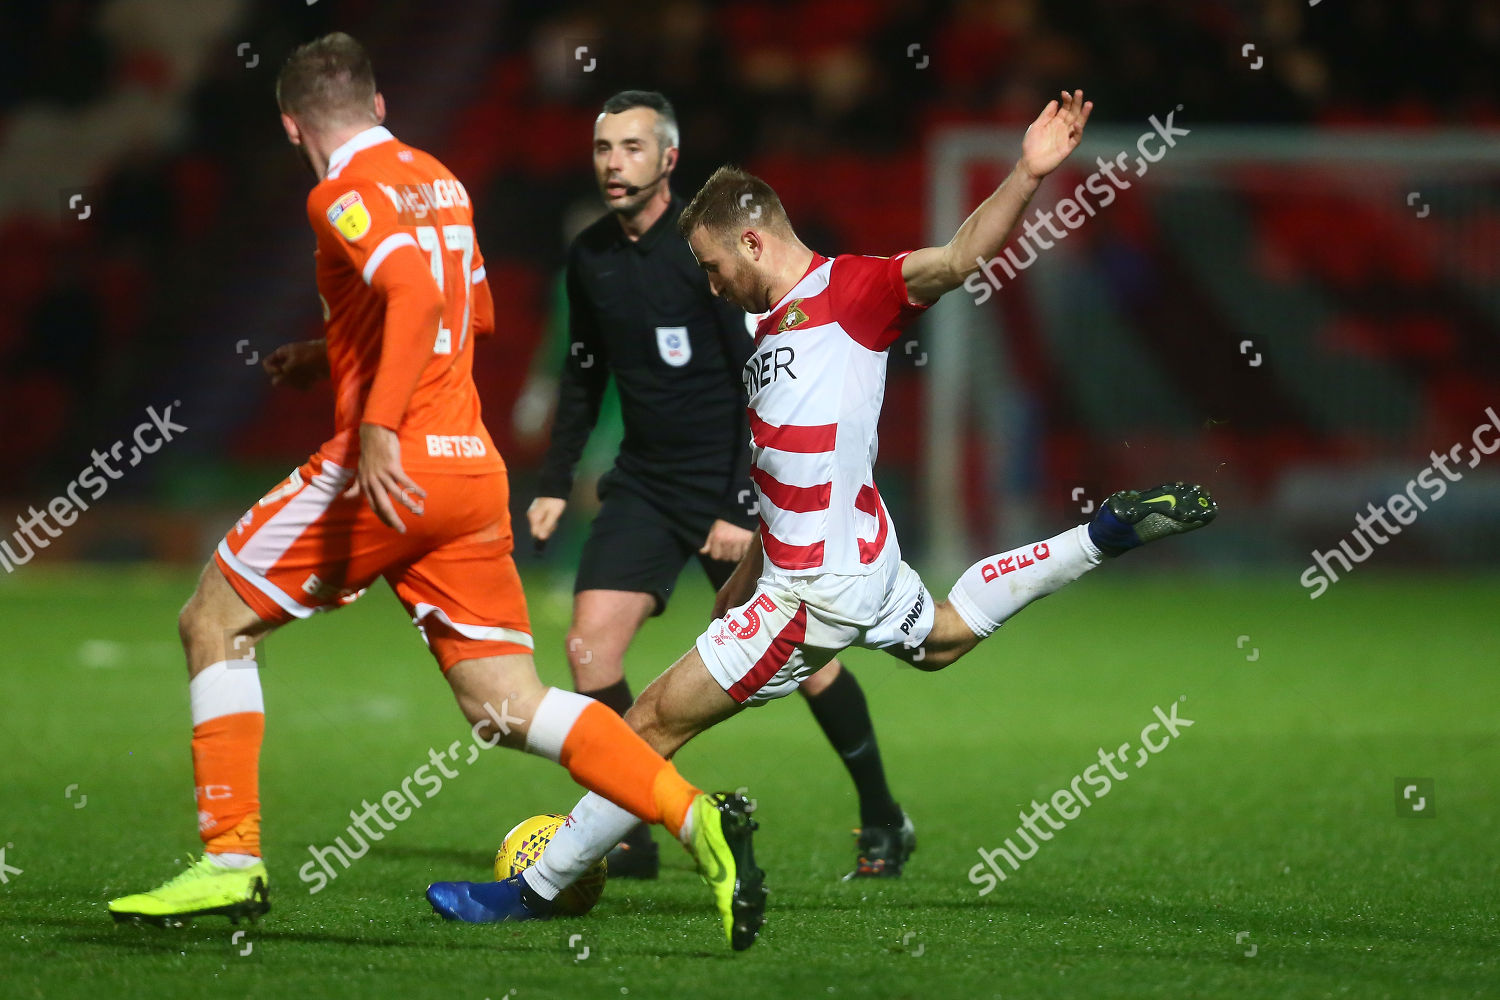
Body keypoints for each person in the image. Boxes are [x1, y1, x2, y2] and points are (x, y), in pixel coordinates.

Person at [426, 90, 1215, 936]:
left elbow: (954, 259)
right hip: (858, 565)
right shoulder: (767, 336)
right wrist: (742, 575)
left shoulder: (857, 291)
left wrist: (1026, 173)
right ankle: (1097, 538)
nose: (713, 285)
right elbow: (784, 481)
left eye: (715, 266)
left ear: (753, 240)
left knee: (647, 725)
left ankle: (534, 891)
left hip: (812, 593)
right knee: (944, 637)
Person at [106, 32, 765, 952]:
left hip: (389, 467)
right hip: (468, 471)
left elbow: (414, 296)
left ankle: (228, 861)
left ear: (293, 124)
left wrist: (374, 422)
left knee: (211, 619)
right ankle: (698, 822)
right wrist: (329, 354)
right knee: (508, 703)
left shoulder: (336, 192)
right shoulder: (439, 179)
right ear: (379, 106)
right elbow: (477, 311)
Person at [528, 90, 914, 880]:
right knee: (587, 647)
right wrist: (555, 479)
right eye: (603, 147)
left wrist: (744, 504)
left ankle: (881, 812)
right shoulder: (590, 256)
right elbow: (583, 375)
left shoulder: (703, 258)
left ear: (669, 159)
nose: (613, 162)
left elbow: (760, 382)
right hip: (644, 481)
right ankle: (628, 829)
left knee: (815, 666)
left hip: (728, 486)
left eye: (632, 147)